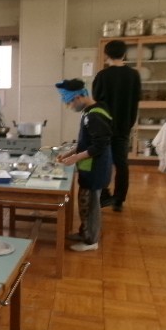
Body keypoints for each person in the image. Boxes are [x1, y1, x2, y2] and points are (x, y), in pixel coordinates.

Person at [55, 79, 112, 252]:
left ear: (78, 97)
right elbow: (84, 142)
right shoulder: (89, 112)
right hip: (89, 167)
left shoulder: (95, 115)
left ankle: (91, 241)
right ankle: (84, 232)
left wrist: (76, 158)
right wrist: (69, 153)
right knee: (84, 202)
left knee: (92, 205)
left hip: (96, 168)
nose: (70, 107)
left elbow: (99, 145)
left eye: (70, 103)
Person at [92, 40, 141, 212]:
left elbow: (96, 100)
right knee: (121, 163)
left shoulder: (102, 75)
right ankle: (119, 200)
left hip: (104, 126)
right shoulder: (134, 75)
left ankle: (103, 195)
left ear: (106, 54)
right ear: (124, 54)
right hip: (123, 126)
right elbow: (136, 100)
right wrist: (129, 123)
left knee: (102, 161)